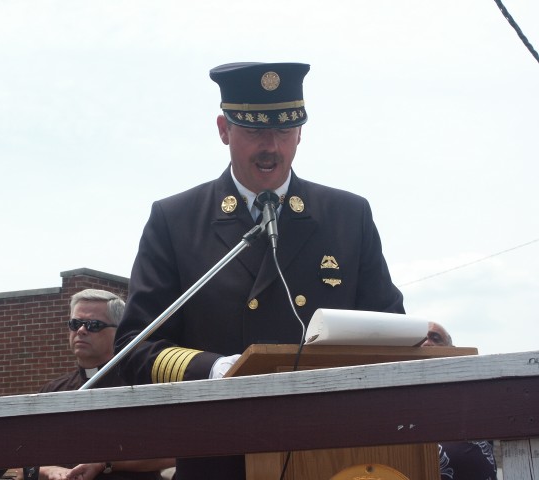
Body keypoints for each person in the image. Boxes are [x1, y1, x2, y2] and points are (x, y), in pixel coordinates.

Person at [114, 62, 405, 480]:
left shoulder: (347, 215)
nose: (272, 146)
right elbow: (135, 348)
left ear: (301, 133)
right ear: (223, 130)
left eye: (285, 132)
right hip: (220, 454)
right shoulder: (175, 220)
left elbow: (388, 327)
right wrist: (217, 370)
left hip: (332, 454)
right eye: (254, 132)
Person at [29, 289, 174, 480]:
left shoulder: (142, 385)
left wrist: (106, 464)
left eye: (93, 325)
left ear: (119, 331)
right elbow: (23, 457)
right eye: (75, 324)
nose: (81, 330)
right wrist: (50, 471)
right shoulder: (52, 391)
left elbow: (173, 453)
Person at [423, 322, 498, 480]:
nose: (427, 343)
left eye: (435, 338)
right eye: (420, 340)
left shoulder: (475, 397)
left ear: (452, 351)